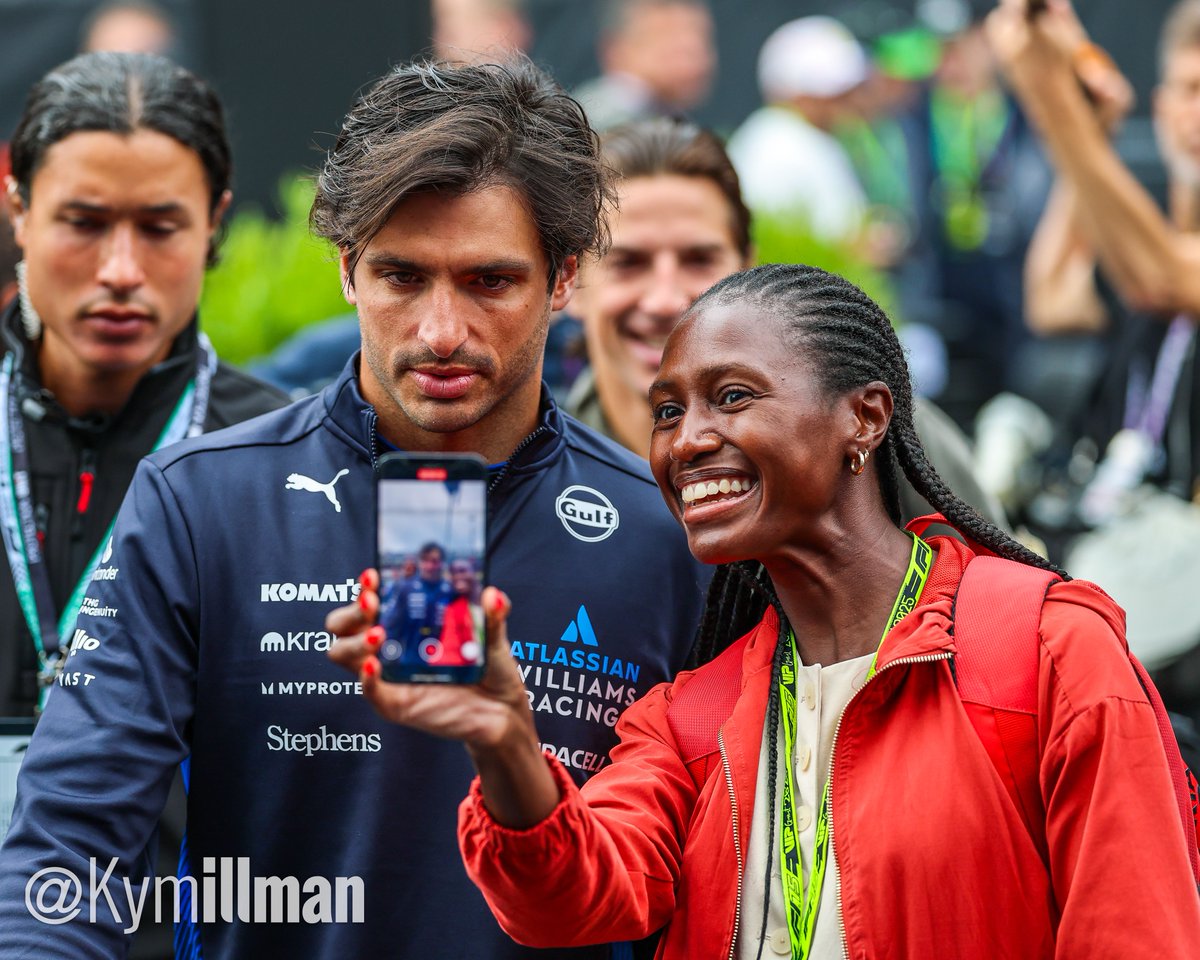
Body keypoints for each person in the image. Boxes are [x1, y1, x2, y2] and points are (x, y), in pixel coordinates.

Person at [0, 56, 706, 959]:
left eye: (489, 281)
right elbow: (69, 840)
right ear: (346, 270)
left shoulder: (667, 531)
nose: (441, 332)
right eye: (401, 277)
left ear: (564, 278)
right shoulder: (200, 501)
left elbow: (712, 874)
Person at [333, 262, 1200, 957]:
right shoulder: (690, 715)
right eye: (667, 411)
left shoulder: (1048, 647)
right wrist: (504, 740)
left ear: (864, 418)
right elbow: (569, 901)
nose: (687, 440)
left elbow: (1137, 934)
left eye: (733, 396)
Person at [0, 51, 288, 960]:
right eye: (83, 223)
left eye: (161, 227)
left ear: (215, 223)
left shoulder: (287, 461)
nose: (121, 269)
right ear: (18, 209)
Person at [568, 117, 1007, 528]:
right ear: (571, 281)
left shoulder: (865, 422)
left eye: (699, 259)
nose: (666, 300)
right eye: (628, 263)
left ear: (748, 268)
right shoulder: (542, 464)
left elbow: (999, 577)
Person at [726, 16, 872, 246]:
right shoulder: (772, 146)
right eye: (833, 93)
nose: (845, 101)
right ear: (796, 93)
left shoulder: (810, 136)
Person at [572, 0, 716, 132]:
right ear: (615, 49)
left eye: (702, 37)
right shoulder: (593, 123)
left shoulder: (675, 119)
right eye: (667, 36)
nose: (695, 55)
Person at [378, 541, 453, 666]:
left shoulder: (450, 590)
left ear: (442, 563)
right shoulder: (405, 588)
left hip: (445, 663)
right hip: (410, 661)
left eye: (434, 561)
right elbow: (391, 626)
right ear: (420, 563)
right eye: (425, 561)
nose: (429, 566)